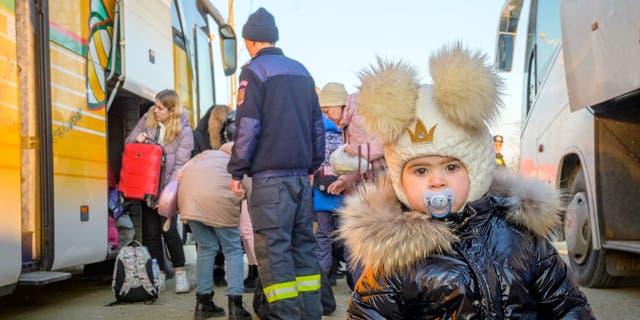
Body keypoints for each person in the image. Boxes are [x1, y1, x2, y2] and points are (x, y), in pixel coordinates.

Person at [338, 44, 594, 319]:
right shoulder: (392, 257)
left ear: (477, 170)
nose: (437, 181)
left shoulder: (520, 235)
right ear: (399, 181)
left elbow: (566, 304)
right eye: (420, 171)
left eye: (451, 167)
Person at [227, 7, 324, 319]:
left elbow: (248, 126)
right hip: (300, 179)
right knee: (304, 249)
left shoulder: (254, 72)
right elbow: (317, 127)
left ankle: (285, 316)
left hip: (270, 182)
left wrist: (237, 169)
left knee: (274, 251)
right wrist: (312, 165)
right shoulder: (302, 71)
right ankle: (312, 314)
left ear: (249, 41)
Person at [124, 89, 192, 293]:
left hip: (167, 191)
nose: (155, 110)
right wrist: (138, 139)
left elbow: (181, 166)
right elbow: (128, 144)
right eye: (154, 105)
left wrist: (164, 195)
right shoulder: (147, 120)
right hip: (146, 187)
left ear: (171, 111)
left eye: (160, 108)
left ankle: (180, 273)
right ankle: (159, 273)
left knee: (169, 232)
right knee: (151, 234)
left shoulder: (184, 132)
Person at [177, 142, 251, 320]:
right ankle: (236, 307)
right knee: (233, 250)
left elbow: (180, 174)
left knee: (206, 248)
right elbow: (250, 190)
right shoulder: (238, 162)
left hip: (190, 201)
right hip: (219, 202)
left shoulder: (203, 155)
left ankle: (203, 304)